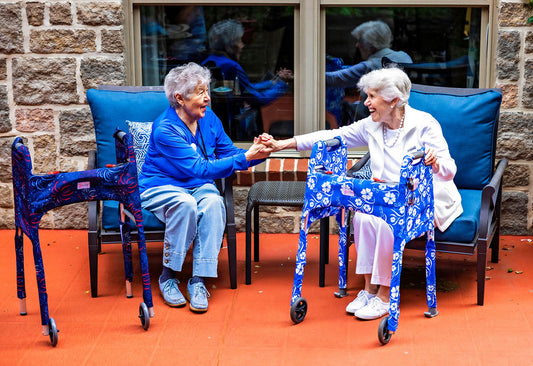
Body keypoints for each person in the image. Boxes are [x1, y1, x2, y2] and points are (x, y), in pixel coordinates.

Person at [260, 67, 462, 320]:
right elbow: (332, 135)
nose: (365, 102)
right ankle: (369, 289)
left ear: (393, 101)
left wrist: (433, 162)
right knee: (364, 217)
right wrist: (283, 144)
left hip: (423, 197)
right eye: (367, 96)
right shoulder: (372, 125)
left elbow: (449, 170)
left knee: (387, 224)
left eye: (372, 97)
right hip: (384, 195)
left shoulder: (424, 124)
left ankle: (385, 296)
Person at [139, 62, 269, 313]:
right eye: (200, 92)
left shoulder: (209, 118)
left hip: (199, 187)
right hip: (161, 186)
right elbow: (199, 168)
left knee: (213, 203)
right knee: (185, 204)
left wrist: (261, 152)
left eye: (206, 90)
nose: (207, 97)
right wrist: (246, 158)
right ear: (179, 98)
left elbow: (228, 152)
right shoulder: (165, 129)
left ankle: (199, 279)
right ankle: (168, 276)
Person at [326, 20, 413, 126]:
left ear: (371, 44)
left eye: (360, 41)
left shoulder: (371, 65)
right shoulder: (404, 57)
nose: (357, 45)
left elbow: (334, 79)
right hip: (402, 117)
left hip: (373, 121)